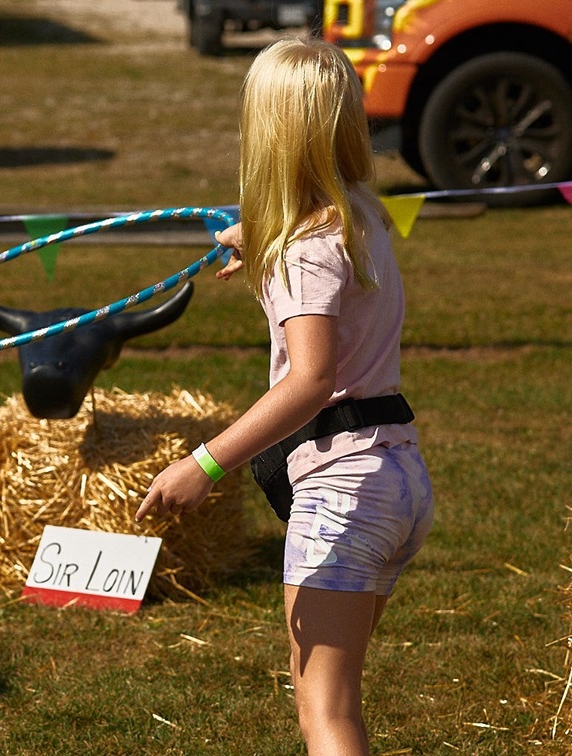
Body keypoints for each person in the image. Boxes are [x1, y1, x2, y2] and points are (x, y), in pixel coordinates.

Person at [134, 37, 434, 755]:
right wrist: (259, 239)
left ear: (266, 129)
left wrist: (202, 466)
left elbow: (310, 379)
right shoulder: (362, 217)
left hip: (341, 487)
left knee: (325, 717)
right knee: (342, 703)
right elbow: (314, 254)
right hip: (398, 480)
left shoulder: (305, 250)